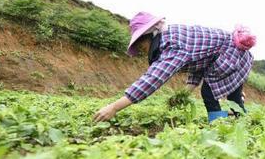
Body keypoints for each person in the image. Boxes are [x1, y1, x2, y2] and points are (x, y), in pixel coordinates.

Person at [93, 11, 256, 123]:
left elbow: (153, 79)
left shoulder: (171, 44)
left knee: (209, 91)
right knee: (233, 100)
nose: (141, 50)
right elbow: (199, 64)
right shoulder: (174, 37)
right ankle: (240, 119)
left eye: (140, 44)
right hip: (236, 56)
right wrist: (183, 94)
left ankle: (218, 124)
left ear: (149, 36)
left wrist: (114, 107)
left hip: (234, 56)